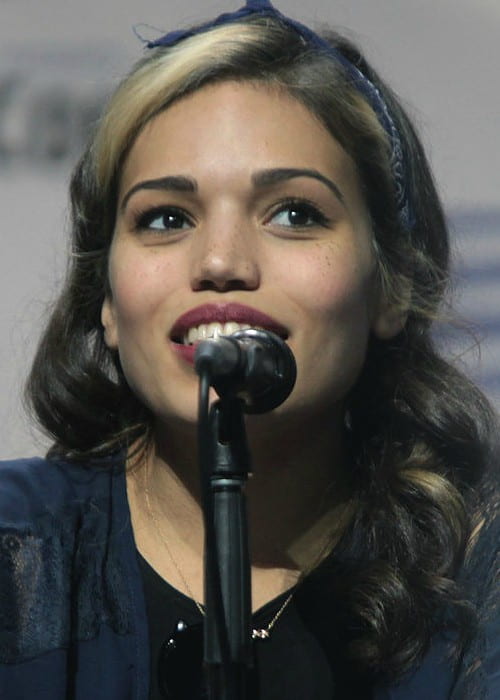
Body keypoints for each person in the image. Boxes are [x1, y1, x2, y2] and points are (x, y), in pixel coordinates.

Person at [1, 1, 498, 698]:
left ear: (391, 287)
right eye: (166, 217)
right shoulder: (13, 555)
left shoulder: (482, 584)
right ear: (107, 302)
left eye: (295, 213)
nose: (222, 261)